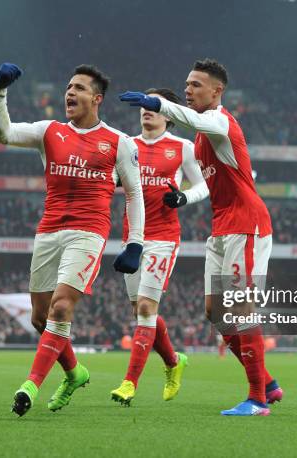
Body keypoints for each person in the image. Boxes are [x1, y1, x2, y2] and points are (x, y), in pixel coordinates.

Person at [120, 59, 282, 416]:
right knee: (216, 313)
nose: (189, 90)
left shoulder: (221, 122)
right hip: (222, 226)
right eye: (187, 84)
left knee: (240, 309)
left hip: (248, 223)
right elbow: (205, 184)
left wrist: (157, 103)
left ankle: (257, 398)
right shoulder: (200, 137)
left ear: (217, 91)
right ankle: (268, 382)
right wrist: (183, 195)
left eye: (196, 85)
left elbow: (193, 118)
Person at [0, 62, 145, 416]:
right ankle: (75, 372)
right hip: (48, 230)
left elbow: (134, 194)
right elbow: (3, 134)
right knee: (41, 318)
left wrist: (134, 242)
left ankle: (30, 386)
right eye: (68, 87)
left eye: (78, 88)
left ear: (97, 98)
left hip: (89, 231)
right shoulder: (50, 131)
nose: (69, 93)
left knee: (62, 307)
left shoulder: (119, 142)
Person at [110, 88, 208, 406]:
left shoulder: (183, 148)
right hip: (133, 237)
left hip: (164, 237)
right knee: (139, 309)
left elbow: (203, 184)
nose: (145, 110)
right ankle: (173, 362)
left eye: (153, 106)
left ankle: (129, 383)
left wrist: (183, 197)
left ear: (168, 114)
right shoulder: (127, 145)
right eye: (142, 105)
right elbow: (112, 179)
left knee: (146, 308)